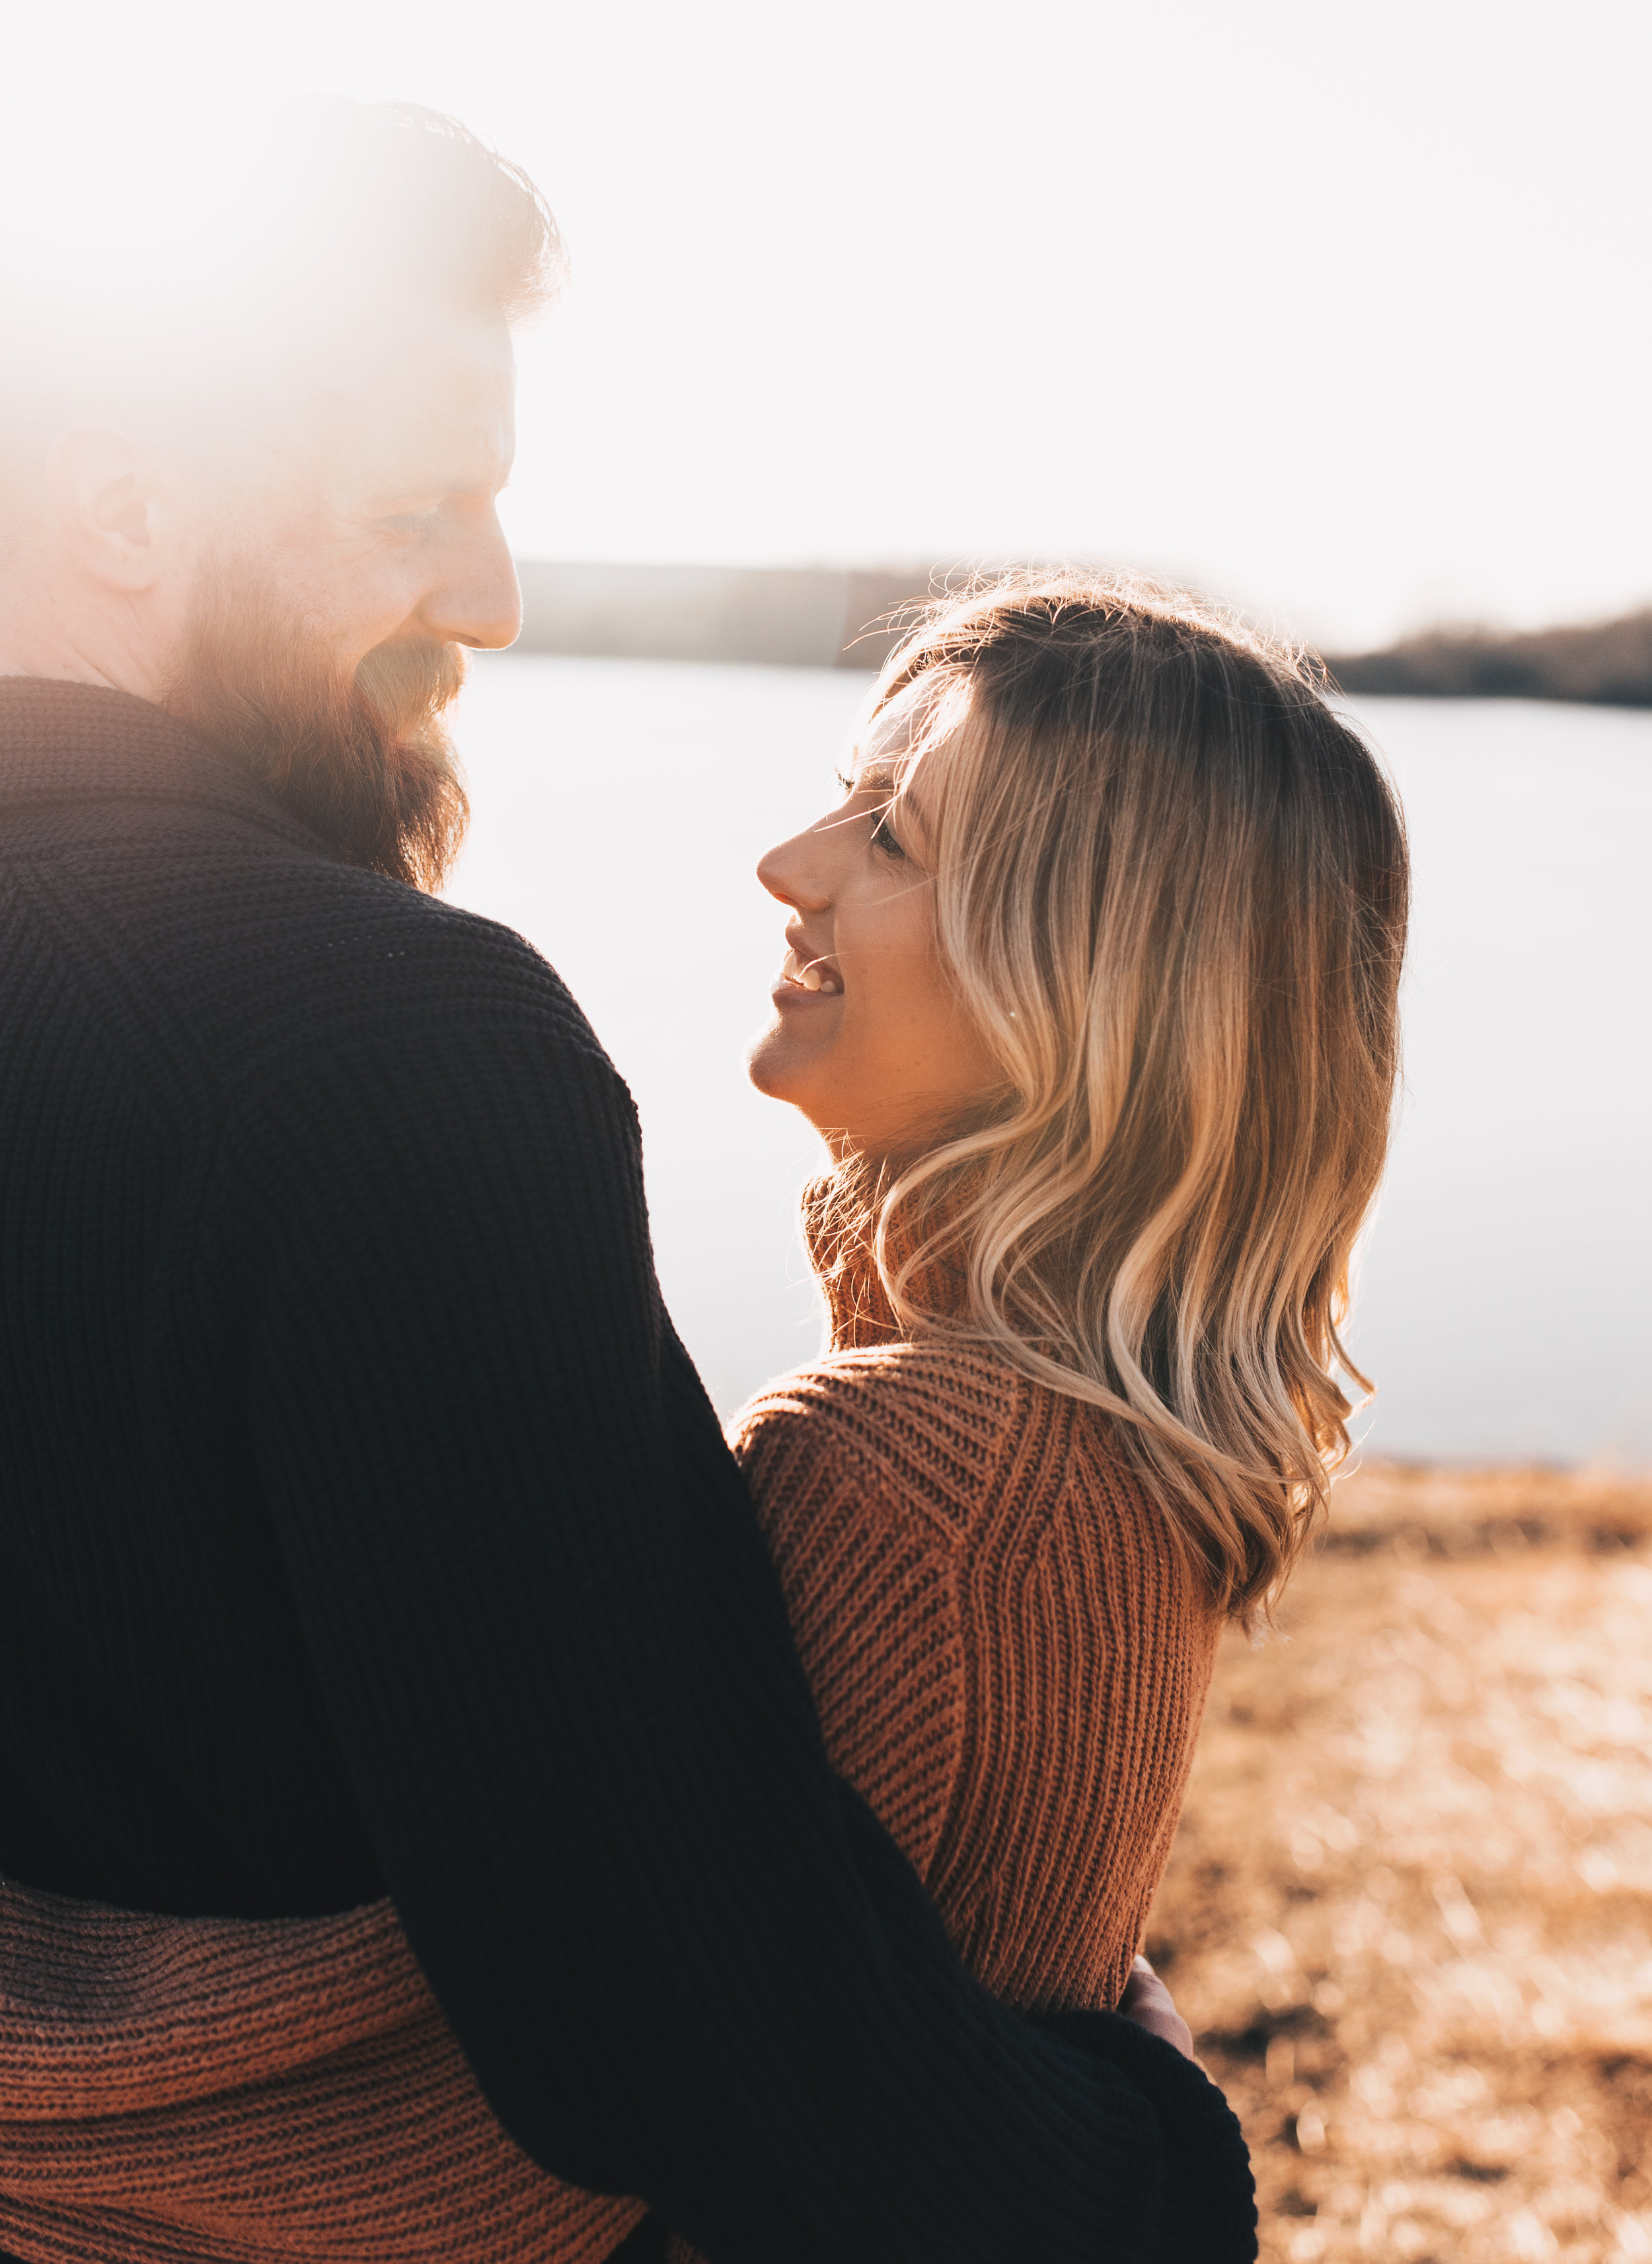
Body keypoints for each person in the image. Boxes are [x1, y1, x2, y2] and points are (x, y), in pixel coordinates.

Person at [0, 102, 1256, 2264]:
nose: (485, 596)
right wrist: (1145, 2170)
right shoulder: (378, 1048)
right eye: (417, 509)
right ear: (125, 503)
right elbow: (657, 2012)